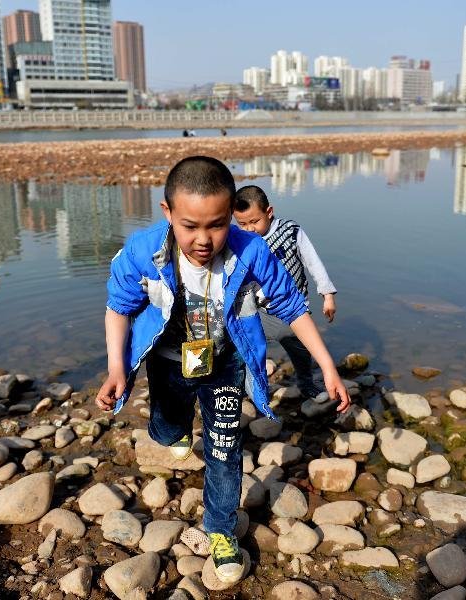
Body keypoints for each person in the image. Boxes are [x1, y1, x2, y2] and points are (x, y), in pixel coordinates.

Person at [95, 156, 351, 585]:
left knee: (224, 449)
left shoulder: (252, 251)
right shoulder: (143, 252)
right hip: (167, 364)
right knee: (164, 428)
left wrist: (327, 366)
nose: (203, 239)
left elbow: (292, 307)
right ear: (167, 212)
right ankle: (172, 433)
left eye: (215, 224)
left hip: (225, 364)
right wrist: (116, 367)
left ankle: (220, 529)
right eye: (190, 225)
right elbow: (118, 308)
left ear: (230, 211)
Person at [233, 185, 337, 398]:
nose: (249, 229)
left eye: (254, 222)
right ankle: (247, 386)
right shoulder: (242, 241)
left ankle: (306, 383)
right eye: (242, 223)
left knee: (300, 349)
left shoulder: (290, 231)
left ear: (269, 212)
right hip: (260, 308)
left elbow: (312, 262)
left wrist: (327, 295)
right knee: (246, 346)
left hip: (294, 307)